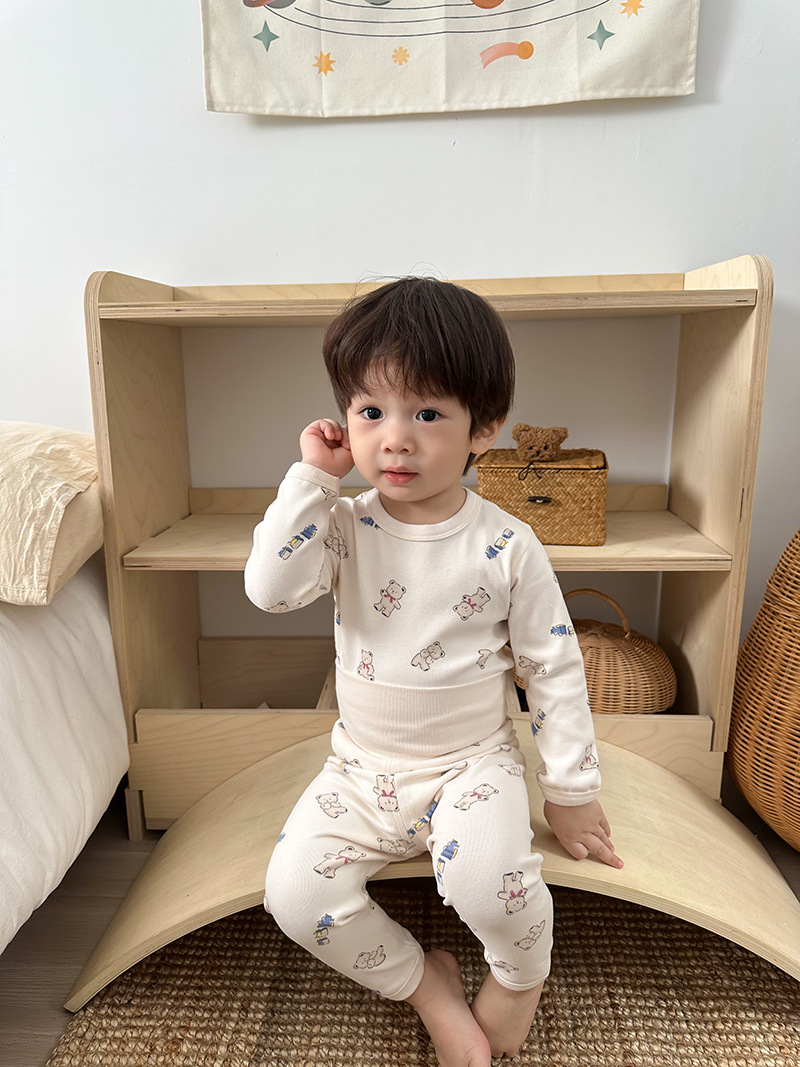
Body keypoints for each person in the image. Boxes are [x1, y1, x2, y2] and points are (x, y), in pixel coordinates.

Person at [244, 276, 623, 1067]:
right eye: (369, 412)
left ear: (483, 428)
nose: (394, 440)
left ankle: (518, 980)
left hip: (470, 766)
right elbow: (270, 590)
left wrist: (572, 789)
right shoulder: (340, 524)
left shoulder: (507, 543)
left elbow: (553, 668)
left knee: (493, 883)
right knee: (295, 894)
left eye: (425, 414)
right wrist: (313, 478)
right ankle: (429, 986)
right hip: (359, 770)